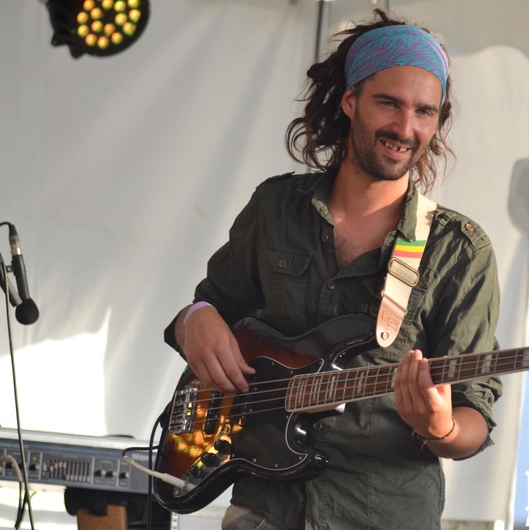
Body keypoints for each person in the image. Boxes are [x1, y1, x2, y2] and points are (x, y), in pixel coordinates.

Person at [164, 9, 502, 530]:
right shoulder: (276, 206)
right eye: (388, 103)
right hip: (265, 509)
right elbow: (211, 307)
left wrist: (442, 428)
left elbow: (474, 414)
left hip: (382, 515)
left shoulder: (459, 250)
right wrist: (195, 319)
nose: (405, 128)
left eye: (424, 112)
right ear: (349, 101)